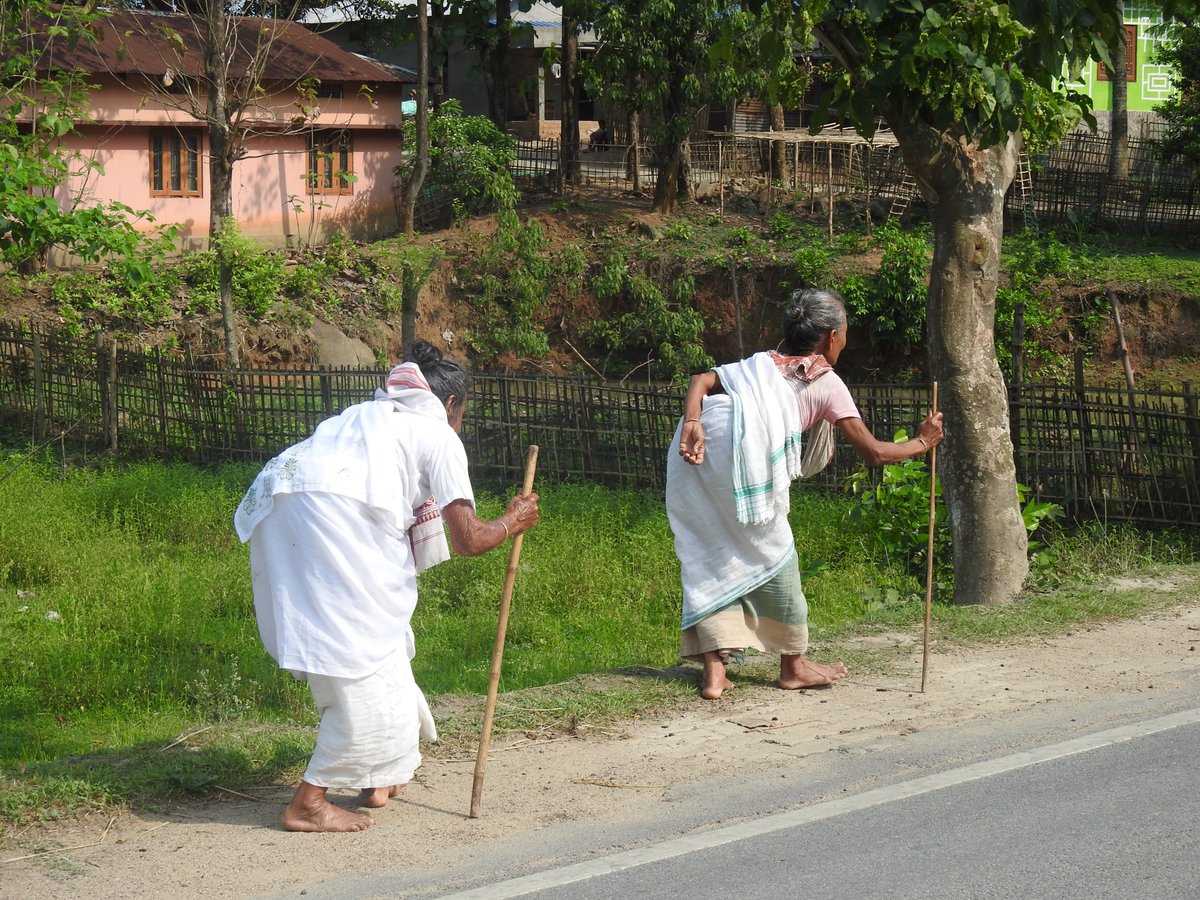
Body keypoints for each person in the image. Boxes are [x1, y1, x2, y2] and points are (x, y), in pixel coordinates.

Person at [234, 341, 539, 832]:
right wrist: (512, 520)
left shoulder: (364, 415)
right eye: (463, 410)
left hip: (280, 503)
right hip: (331, 519)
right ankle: (307, 804)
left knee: (383, 643)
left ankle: (380, 778)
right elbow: (468, 539)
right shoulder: (437, 434)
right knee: (363, 659)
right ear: (450, 405)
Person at [666, 288, 943, 700]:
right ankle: (792, 667)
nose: (845, 341)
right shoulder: (827, 382)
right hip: (745, 456)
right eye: (845, 332)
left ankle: (714, 672)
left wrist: (692, 420)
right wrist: (924, 441)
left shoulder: (761, 364)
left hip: (698, 445)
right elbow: (874, 452)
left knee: (713, 549)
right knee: (777, 554)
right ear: (831, 336)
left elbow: (700, 379)